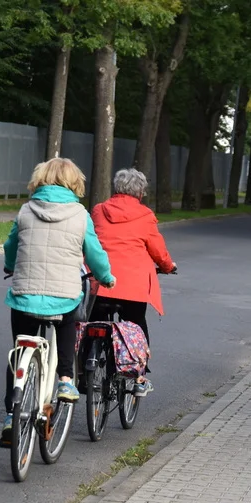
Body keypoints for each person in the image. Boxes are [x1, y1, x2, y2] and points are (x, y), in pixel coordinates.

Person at [0, 157, 115, 448]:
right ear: (74, 182)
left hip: (25, 293)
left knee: (19, 349)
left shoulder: (26, 210)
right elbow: (94, 252)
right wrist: (107, 277)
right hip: (63, 294)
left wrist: (10, 265)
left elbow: (11, 246)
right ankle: (66, 378)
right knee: (69, 319)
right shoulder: (80, 214)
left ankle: (11, 415)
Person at [90, 168, 177, 397]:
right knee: (137, 324)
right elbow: (158, 250)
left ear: (116, 187)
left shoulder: (99, 210)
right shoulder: (145, 215)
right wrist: (168, 267)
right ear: (140, 192)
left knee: (92, 325)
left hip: (101, 281)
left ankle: (84, 371)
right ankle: (139, 377)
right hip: (132, 287)